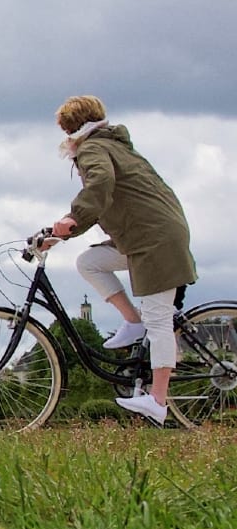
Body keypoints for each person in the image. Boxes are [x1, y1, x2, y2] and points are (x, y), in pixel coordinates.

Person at [49, 95, 196, 425]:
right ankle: (132, 322)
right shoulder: (114, 144)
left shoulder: (92, 149)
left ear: (73, 127)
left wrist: (73, 218)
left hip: (154, 242)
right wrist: (65, 230)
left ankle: (157, 401)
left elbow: (102, 184)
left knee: (159, 320)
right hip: (146, 236)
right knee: (90, 262)